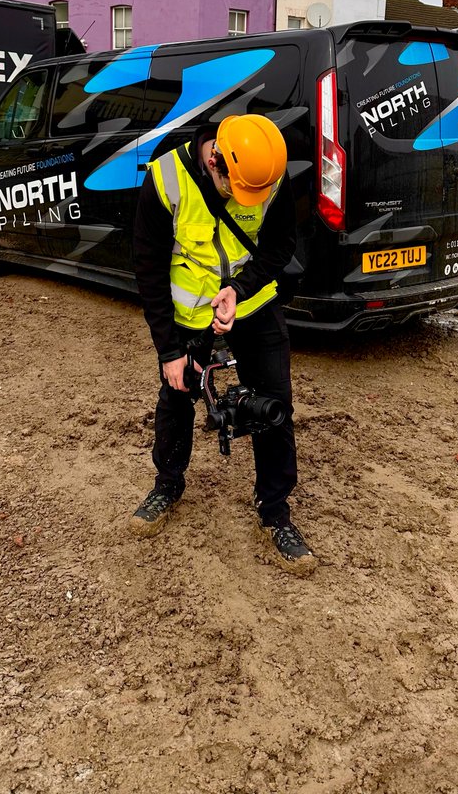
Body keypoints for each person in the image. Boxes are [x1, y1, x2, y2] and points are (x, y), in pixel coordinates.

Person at [131, 113, 316, 574]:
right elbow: (148, 267)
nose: (243, 199)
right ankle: (168, 484)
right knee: (176, 397)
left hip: (252, 305)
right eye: (236, 189)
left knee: (275, 405)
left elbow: (280, 245)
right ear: (214, 160)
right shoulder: (166, 179)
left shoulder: (266, 170)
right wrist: (169, 351)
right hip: (188, 316)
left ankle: (274, 511)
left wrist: (240, 288)